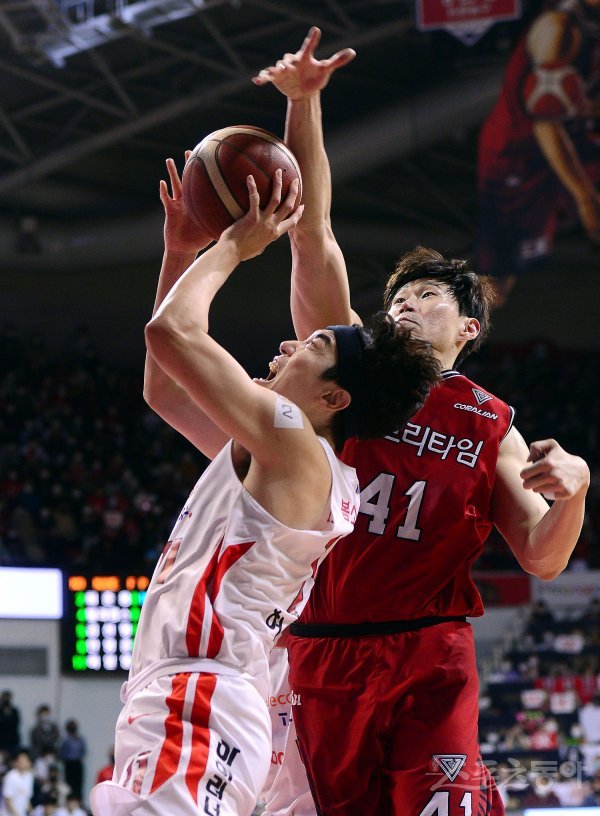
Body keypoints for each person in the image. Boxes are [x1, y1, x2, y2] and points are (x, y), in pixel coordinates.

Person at [254, 27, 591, 816]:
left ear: (467, 329)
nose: (403, 307)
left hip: (430, 650)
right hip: (320, 648)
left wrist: (575, 494)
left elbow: (542, 556)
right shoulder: (350, 371)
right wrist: (303, 106)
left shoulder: (490, 424)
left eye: (425, 298)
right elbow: (313, 233)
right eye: (396, 300)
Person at [89, 165, 439, 816]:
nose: (288, 344)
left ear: (335, 397)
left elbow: (173, 334)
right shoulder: (282, 457)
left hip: (203, 695)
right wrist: (178, 251)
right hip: (202, 696)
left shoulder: (291, 441)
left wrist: (231, 247)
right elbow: (164, 385)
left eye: (311, 345)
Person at [476, 0, 600, 304]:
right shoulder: (558, 27)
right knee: (497, 288)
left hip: (572, 142)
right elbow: (546, 119)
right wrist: (585, 198)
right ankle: (455, 339)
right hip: (519, 155)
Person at [58, 721, 85, 801]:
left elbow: (83, 751)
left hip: (77, 763)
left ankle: (78, 801)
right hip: (68, 764)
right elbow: (61, 752)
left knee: (78, 785)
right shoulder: (65, 740)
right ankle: (69, 801)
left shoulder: (80, 739)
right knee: (69, 785)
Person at [0, 751, 33, 816]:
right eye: (21, 761)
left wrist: (32, 812)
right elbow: (8, 800)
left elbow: (26, 798)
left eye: (25, 761)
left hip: (21, 813)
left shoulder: (29, 777)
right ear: (16, 763)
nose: (23, 763)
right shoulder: (10, 777)